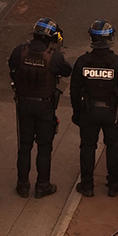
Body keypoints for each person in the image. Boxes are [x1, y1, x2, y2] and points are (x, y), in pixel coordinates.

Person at [8, 19, 72, 198]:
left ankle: (22, 185)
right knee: (44, 147)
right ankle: (42, 185)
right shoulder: (53, 56)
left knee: (24, 146)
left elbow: (12, 68)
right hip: (45, 105)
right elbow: (67, 71)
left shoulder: (19, 52)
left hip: (24, 104)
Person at [70, 19, 118, 198]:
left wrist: (77, 112)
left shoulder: (82, 62)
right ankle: (114, 185)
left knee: (88, 147)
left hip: (88, 112)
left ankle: (87, 185)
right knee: (114, 147)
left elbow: (74, 90)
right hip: (111, 113)